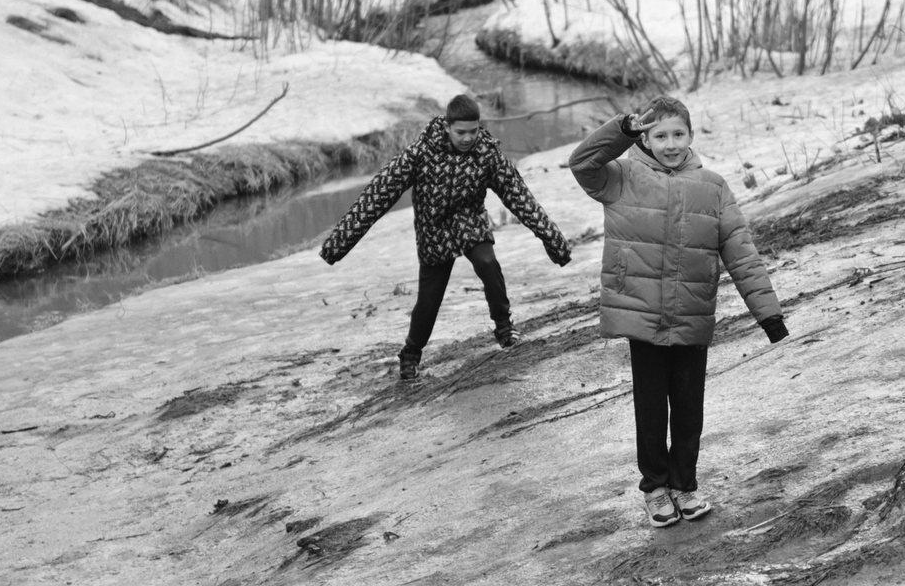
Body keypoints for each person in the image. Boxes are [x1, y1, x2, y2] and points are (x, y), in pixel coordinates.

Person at [569, 94, 788, 527]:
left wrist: (769, 314)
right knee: (651, 408)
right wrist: (622, 130)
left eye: (678, 134)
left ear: (691, 136)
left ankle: (685, 485)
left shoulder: (712, 187)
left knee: (689, 406)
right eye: (659, 134)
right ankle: (654, 488)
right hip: (641, 313)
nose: (670, 143)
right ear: (645, 138)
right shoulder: (621, 177)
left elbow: (741, 254)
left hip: (692, 312)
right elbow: (582, 163)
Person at [319, 94, 573, 380]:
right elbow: (378, 194)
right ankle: (411, 354)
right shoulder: (422, 153)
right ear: (448, 127)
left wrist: (553, 240)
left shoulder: (487, 154)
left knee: (487, 262)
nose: (467, 138)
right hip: (434, 227)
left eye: (473, 131)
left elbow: (520, 197)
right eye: (460, 132)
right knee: (430, 297)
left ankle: (504, 327)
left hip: (469, 220)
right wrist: (337, 245)